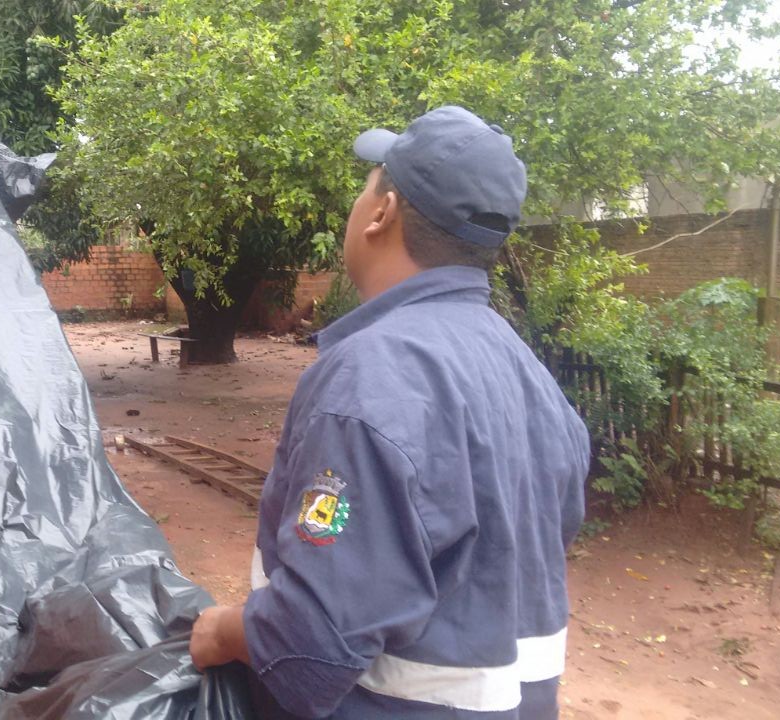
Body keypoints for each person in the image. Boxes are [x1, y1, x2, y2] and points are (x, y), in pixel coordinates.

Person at [188, 106, 589, 719]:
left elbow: (314, 637)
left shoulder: (373, 378)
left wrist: (221, 633)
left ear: (384, 211)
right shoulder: (528, 373)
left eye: (366, 184)